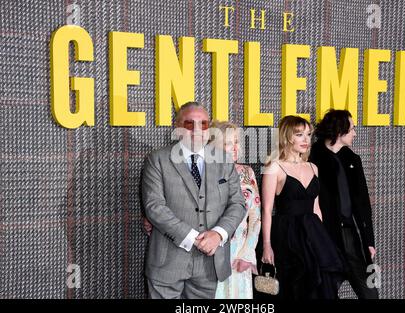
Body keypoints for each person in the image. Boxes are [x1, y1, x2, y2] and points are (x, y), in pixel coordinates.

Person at [141, 101, 246, 299]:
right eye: (189, 124)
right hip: (168, 261)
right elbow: (154, 207)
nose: (197, 130)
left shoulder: (223, 160)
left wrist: (218, 234)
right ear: (177, 127)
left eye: (204, 124)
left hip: (209, 264)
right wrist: (192, 238)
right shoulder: (158, 160)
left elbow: (238, 204)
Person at [261, 115, 346, 299]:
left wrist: (323, 240)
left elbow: (316, 208)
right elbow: (267, 210)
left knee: (319, 286)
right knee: (294, 286)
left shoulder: (313, 167)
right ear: (287, 136)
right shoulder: (273, 167)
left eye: (308, 134)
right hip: (288, 235)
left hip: (313, 233)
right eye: (299, 134)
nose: (306, 139)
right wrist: (267, 245)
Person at [309, 109, 379, 299]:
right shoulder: (312, 157)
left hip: (350, 236)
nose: (355, 133)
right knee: (324, 292)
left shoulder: (353, 160)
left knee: (370, 292)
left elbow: (363, 204)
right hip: (324, 235)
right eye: (352, 128)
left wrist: (369, 241)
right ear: (340, 130)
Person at [210, 121, 261, 299]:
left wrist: (248, 253)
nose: (235, 148)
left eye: (237, 142)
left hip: (240, 252)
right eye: (228, 143)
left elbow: (256, 216)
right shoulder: (204, 173)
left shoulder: (247, 172)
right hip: (212, 252)